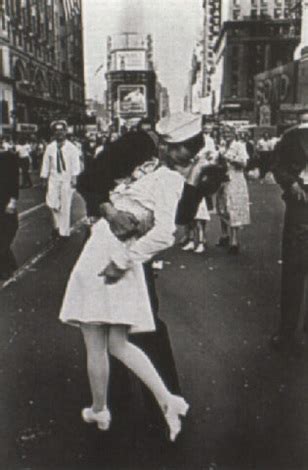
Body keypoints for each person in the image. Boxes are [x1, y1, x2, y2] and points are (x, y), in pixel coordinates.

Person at [59, 113, 208, 442]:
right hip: (109, 238)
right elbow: (88, 180)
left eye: (194, 151)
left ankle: (160, 404)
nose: (189, 157)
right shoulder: (136, 144)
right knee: (114, 325)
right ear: (168, 144)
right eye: (185, 150)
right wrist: (110, 212)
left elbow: (181, 215)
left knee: (141, 322)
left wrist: (189, 190)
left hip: (136, 247)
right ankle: (120, 399)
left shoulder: (187, 167)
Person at [271, 111, 308, 350]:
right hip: (301, 208)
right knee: (294, 271)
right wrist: (292, 182)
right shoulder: (293, 136)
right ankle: (287, 333)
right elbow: (278, 166)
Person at [40, 121, 81, 240]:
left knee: (65, 205)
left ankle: (63, 231)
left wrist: (74, 177)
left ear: (65, 131)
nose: (59, 133)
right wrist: (44, 177)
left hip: (67, 179)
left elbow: (75, 164)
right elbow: (46, 163)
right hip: (53, 178)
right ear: (54, 133)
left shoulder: (72, 148)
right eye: (56, 130)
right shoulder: (50, 147)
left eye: (61, 130)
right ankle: (56, 225)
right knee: (51, 203)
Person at [216, 125, 250, 254]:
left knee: (233, 207)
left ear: (234, 133)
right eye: (224, 132)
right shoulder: (222, 146)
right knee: (222, 207)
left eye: (228, 132)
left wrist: (230, 158)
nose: (226, 135)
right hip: (222, 179)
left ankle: (234, 240)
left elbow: (244, 163)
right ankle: (224, 235)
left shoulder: (239, 146)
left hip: (235, 179)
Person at [0, 138, 19, 280]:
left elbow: (14, 180)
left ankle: (7, 265)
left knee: (8, 230)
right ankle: (8, 264)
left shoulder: (8, 157)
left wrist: (13, 200)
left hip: (5, 202)